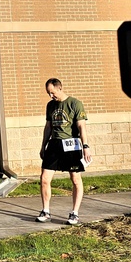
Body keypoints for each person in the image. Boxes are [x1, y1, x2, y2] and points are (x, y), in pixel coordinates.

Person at [36, 77, 93, 225]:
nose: (51, 96)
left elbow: (81, 127)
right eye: (48, 93)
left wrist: (85, 146)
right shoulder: (50, 106)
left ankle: (74, 213)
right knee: (44, 179)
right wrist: (43, 146)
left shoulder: (75, 104)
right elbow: (48, 127)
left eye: (53, 92)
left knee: (75, 179)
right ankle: (46, 210)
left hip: (71, 144)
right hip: (54, 145)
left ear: (60, 88)